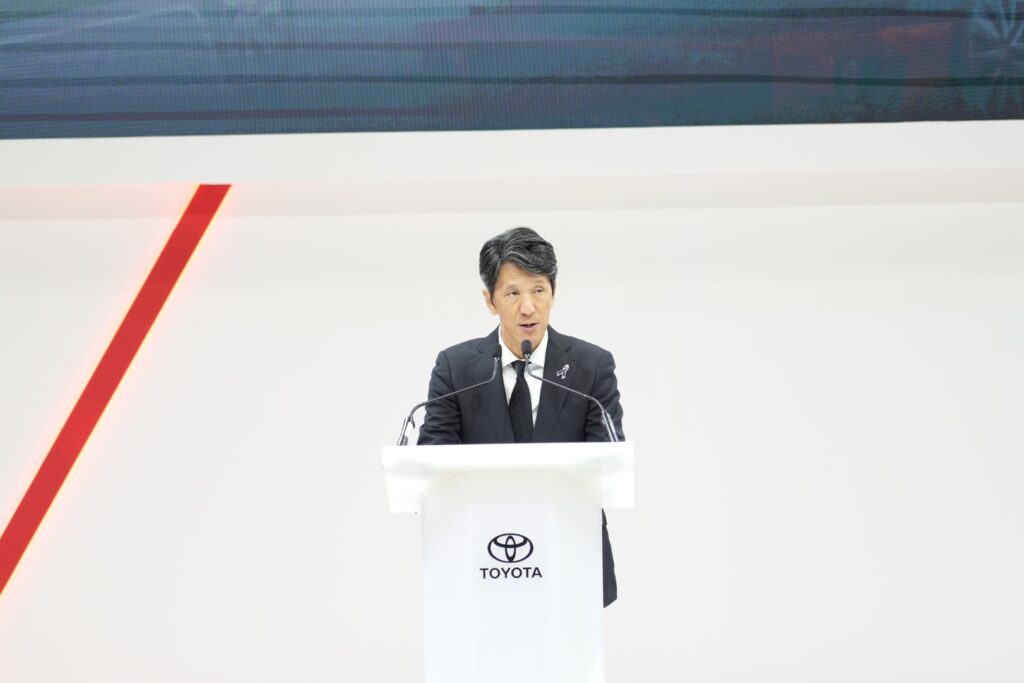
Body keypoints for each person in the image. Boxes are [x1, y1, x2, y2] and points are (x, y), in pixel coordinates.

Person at [418, 226, 624, 607]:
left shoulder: (591, 367)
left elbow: (607, 462)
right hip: (480, 558)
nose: (528, 307)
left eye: (538, 291)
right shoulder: (456, 369)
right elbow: (432, 465)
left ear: (554, 293)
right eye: (513, 293)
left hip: (571, 557)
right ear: (490, 300)